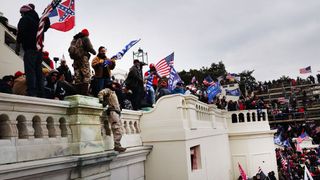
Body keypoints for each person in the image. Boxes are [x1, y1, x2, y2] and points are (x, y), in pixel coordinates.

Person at [15, 4, 49, 97]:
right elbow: (45, 27)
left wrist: (18, 45)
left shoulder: (25, 19)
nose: (21, 15)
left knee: (30, 71)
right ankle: (41, 92)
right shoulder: (38, 21)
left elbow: (20, 32)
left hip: (30, 49)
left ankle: (32, 92)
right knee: (38, 71)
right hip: (39, 51)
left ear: (24, 12)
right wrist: (46, 16)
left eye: (21, 13)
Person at [98, 88, 126, 152]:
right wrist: (102, 101)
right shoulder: (109, 91)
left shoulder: (114, 93)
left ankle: (118, 145)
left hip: (116, 112)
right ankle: (117, 146)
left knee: (119, 129)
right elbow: (101, 93)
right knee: (117, 129)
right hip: (113, 112)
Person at [70, 29, 96, 95]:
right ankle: (84, 92)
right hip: (83, 58)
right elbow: (90, 48)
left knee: (77, 75)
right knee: (86, 74)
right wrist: (94, 52)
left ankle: (78, 91)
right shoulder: (85, 38)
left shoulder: (74, 39)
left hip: (75, 60)